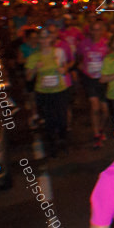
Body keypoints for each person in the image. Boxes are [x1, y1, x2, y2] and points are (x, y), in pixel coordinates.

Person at [25, 28, 72, 157]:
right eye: (42, 38)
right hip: (43, 92)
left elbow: (65, 68)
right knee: (49, 120)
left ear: (50, 39)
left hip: (59, 90)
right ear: (39, 40)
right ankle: (52, 145)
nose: (44, 41)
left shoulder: (59, 52)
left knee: (62, 119)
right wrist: (35, 68)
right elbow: (28, 77)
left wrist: (62, 68)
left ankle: (63, 141)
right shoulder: (34, 57)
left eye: (47, 38)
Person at [79, 21, 111, 147]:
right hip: (90, 79)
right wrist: (84, 71)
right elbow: (79, 59)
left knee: (105, 111)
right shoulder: (83, 44)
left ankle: (101, 128)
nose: (96, 32)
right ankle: (96, 132)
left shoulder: (107, 44)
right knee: (95, 107)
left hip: (103, 80)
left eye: (99, 30)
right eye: (94, 30)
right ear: (90, 31)